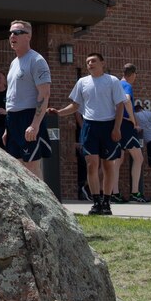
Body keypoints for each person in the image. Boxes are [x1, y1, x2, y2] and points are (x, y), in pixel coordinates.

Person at [49, 53, 126, 216]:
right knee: (91, 164)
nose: (90, 64)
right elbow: (75, 105)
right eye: (87, 62)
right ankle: (96, 202)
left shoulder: (112, 81)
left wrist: (117, 128)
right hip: (90, 126)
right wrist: (59, 112)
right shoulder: (82, 82)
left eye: (93, 61)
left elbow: (120, 106)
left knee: (107, 165)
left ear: (102, 63)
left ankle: (106, 202)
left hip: (109, 125)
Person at [4, 20, 52, 178]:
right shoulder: (13, 63)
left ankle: (41, 203)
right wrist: (8, 128)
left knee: (32, 168)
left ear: (28, 37)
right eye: (11, 33)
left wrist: (35, 124)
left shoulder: (37, 60)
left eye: (17, 33)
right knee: (16, 168)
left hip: (29, 117)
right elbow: (13, 95)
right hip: (13, 119)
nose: (12, 36)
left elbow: (44, 95)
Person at [110, 64, 145, 203]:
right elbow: (126, 100)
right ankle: (135, 193)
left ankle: (114, 193)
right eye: (135, 75)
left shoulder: (115, 85)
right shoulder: (126, 85)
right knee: (139, 158)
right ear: (132, 74)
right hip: (125, 124)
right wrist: (133, 120)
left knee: (117, 160)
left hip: (115, 123)